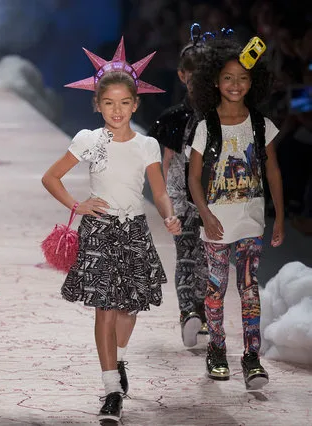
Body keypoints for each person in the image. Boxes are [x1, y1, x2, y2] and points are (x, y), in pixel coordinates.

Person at [41, 39, 181, 422]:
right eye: (108, 103)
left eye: (124, 103)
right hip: (100, 232)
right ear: (97, 105)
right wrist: (77, 204)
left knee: (128, 310)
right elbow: (51, 177)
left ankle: (117, 361)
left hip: (134, 232)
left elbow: (160, 191)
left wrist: (168, 215)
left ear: (135, 104)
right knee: (104, 308)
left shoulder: (147, 145)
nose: (116, 110)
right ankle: (110, 389)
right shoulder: (89, 140)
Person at [188, 35, 284, 390]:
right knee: (216, 290)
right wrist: (205, 213)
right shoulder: (207, 126)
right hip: (215, 224)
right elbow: (193, 176)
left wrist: (280, 217)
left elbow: (273, 171)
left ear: (252, 81)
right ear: (215, 81)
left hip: (251, 221)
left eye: (243, 77)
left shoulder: (261, 125)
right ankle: (216, 349)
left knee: (249, 289)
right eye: (228, 77)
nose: (235, 84)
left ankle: (251, 357)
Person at [148, 24, 209, 347]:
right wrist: (167, 206)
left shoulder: (225, 117)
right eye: (193, 73)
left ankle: (199, 309)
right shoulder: (173, 119)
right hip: (183, 199)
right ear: (183, 76)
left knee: (207, 259)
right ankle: (189, 313)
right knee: (187, 255)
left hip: (216, 198)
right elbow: (167, 163)